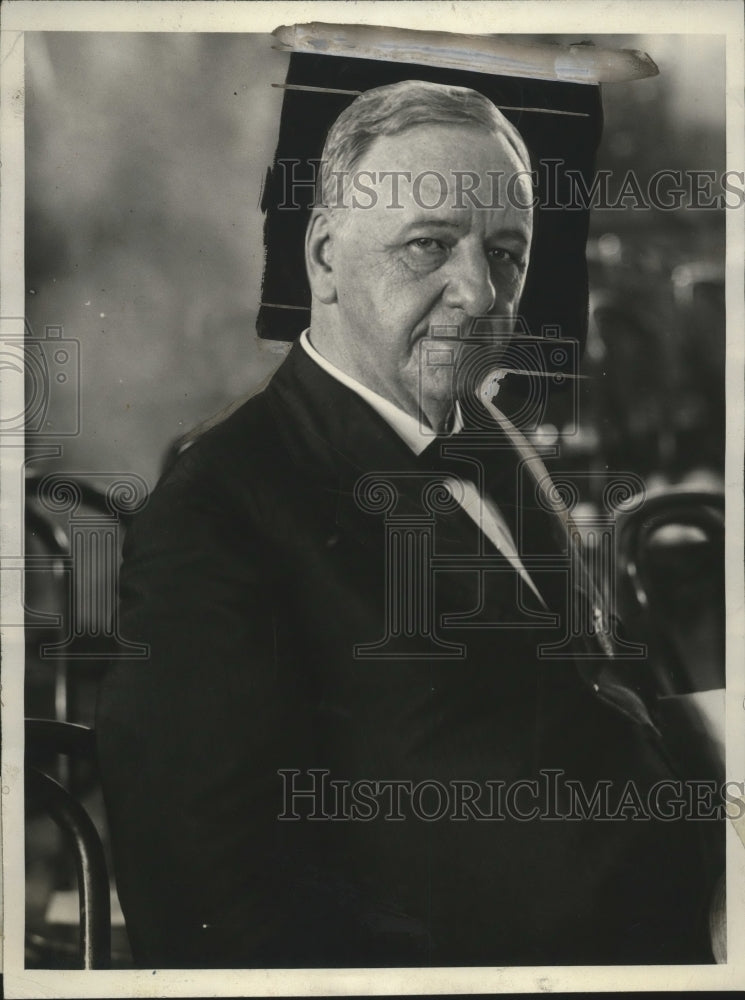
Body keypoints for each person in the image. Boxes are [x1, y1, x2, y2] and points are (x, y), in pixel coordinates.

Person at [97, 80, 721, 969]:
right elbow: (209, 904)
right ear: (322, 258)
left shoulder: (481, 425)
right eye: (430, 245)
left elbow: (590, 679)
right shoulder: (217, 511)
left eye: (505, 253)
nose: (480, 292)